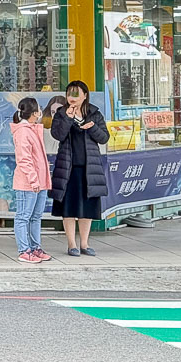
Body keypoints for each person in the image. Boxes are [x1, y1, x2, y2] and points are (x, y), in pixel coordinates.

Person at [49, 80, 110, 256]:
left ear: (85, 95)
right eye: (69, 94)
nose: (72, 97)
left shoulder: (94, 113)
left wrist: (92, 128)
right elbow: (58, 134)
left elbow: (104, 138)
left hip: (89, 167)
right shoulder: (61, 113)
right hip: (68, 167)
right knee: (68, 207)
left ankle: (84, 243)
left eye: (76, 94)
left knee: (87, 207)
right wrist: (68, 117)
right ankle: (71, 244)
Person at [11, 97, 52, 263]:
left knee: (35, 217)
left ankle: (35, 248)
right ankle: (24, 250)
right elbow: (24, 159)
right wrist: (34, 180)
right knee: (23, 217)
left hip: (39, 183)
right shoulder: (22, 131)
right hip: (28, 183)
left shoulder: (32, 129)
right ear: (35, 112)